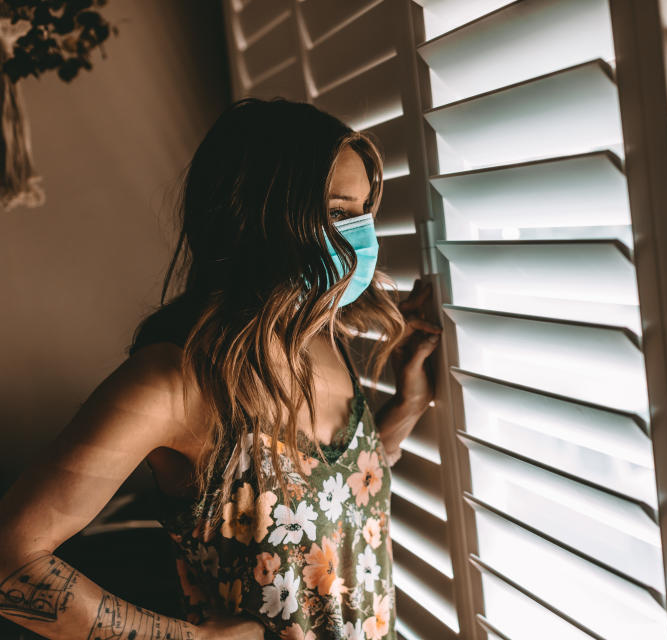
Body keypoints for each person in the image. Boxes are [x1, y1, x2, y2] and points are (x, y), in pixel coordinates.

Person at [0, 97, 442, 640]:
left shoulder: (324, 337)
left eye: (364, 213)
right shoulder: (174, 384)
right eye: (336, 213)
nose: (363, 239)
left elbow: (340, 498)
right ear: (257, 216)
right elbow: (10, 565)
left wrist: (409, 404)